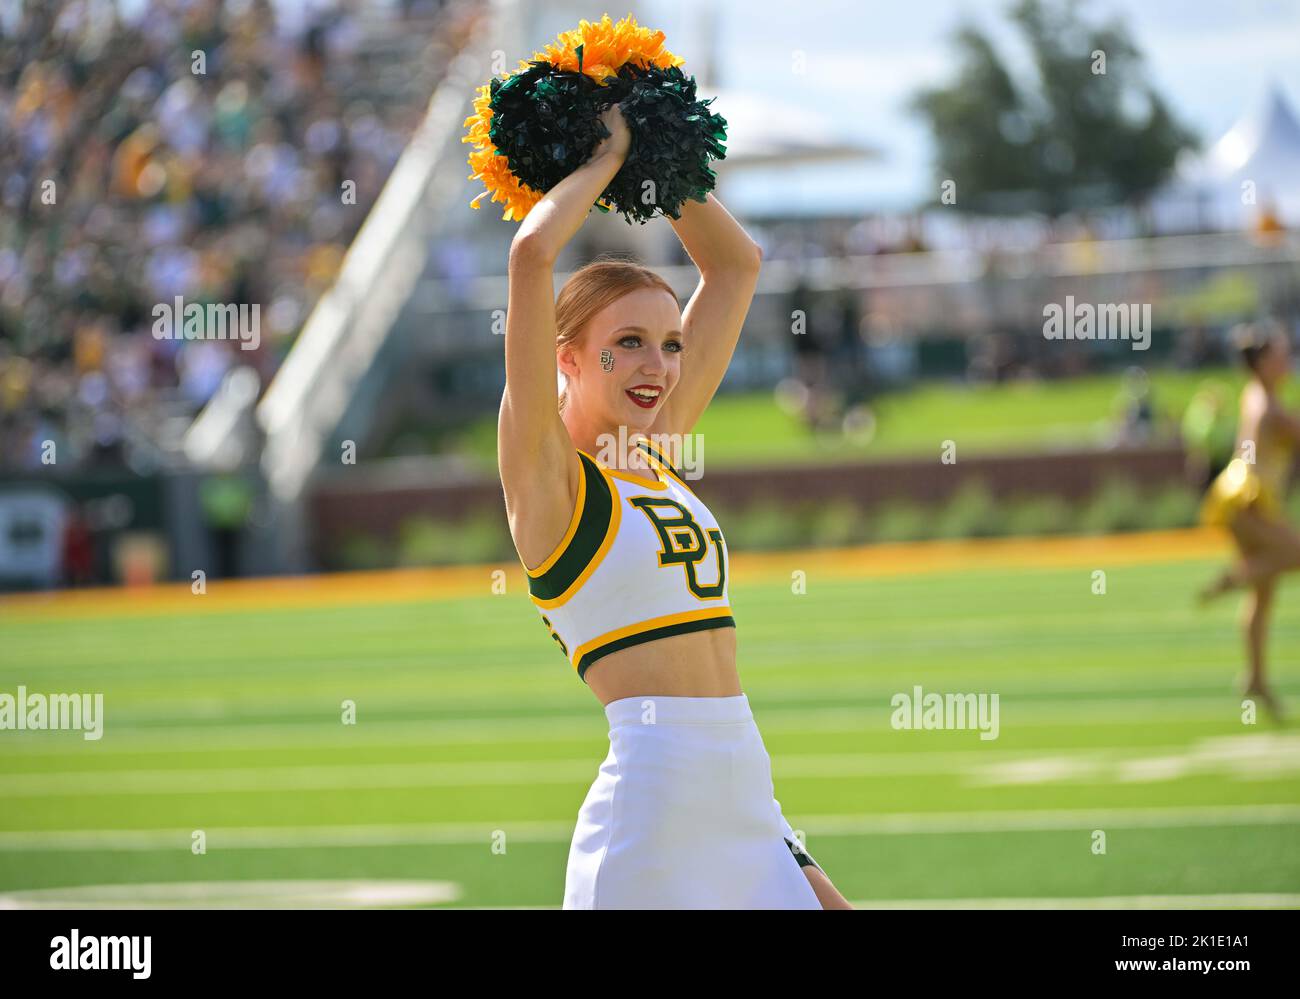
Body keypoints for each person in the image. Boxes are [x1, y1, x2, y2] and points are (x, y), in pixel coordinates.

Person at [498, 103, 851, 909]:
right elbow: (530, 254)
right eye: (625, 343)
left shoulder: (650, 451)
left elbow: (736, 266)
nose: (655, 363)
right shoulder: (551, 479)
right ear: (569, 360)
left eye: (669, 343)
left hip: (746, 788)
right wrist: (602, 161)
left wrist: (659, 153)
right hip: (653, 812)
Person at [1197, 321, 1300, 718]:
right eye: (1280, 355)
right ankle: (1232, 578)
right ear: (1262, 362)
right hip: (1249, 498)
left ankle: (1255, 678)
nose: (1286, 360)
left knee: (1265, 590)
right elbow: (1259, 451)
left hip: (1243, 494)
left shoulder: (1257, 395)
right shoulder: (1269, 406)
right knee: (1288, 559)